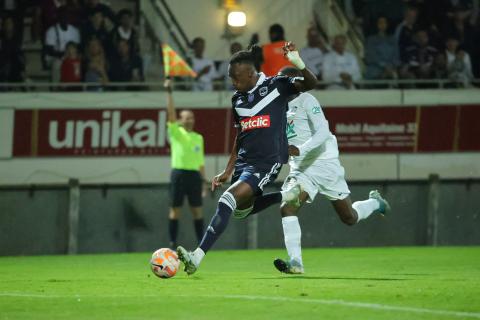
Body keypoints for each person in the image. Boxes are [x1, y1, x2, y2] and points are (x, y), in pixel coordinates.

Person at [176, 42, 318, 275]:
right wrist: (227, 170)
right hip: (244, 162)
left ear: (251, 74)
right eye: (231, 78)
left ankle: (196, 257)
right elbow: (241, 134)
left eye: (236, 77)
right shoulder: (237, 99)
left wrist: (297, 63)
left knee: (227, 200)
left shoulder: (277, 86)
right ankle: (285, 195)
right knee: (242, 210)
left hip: (267, 162)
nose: (233, 82)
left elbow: (311, 84)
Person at [243, 66, 391, 274]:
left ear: (294, 82)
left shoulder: (307, 101)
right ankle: (296, 263)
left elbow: (322, 134)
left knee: (349, 217)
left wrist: (299, 150)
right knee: (287, 207)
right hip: (301, 169)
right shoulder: (276, 107)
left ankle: (376, 202)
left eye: (283, 80)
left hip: (325, 163)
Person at [164, 79, 207, 250]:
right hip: (179, 174)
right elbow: (171, 114)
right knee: (175, 210)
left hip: (194, 176)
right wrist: (169, 93)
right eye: (186, 118)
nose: (190, 120)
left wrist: (203, 183)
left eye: (192, 117)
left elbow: (201, 162)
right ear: (180, 120)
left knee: (197, 211)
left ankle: (201, 245)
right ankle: (172, 244)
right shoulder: (176, 133)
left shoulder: (198, 137)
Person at [44, 5, 80, 82]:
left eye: (67, 15)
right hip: (55, 57)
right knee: (57, 63)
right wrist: (64, 55)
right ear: (58, 17)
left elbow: (77, 48)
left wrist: (70, 55)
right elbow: (50, 51)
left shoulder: (74, 31)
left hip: (70, 56)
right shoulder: (51, 31)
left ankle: (75, 87)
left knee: (76, 62)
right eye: (62, 15)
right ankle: (55, 89)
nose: (65, 17)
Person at [0, 16, 25, 84]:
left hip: (15, 69)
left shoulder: (17, 40)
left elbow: (20, 57)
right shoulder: (1, 40)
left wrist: (22, 68)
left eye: (10, 23)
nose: (8, 26)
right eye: (6, 24)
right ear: (3, 26)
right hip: (3, 68)